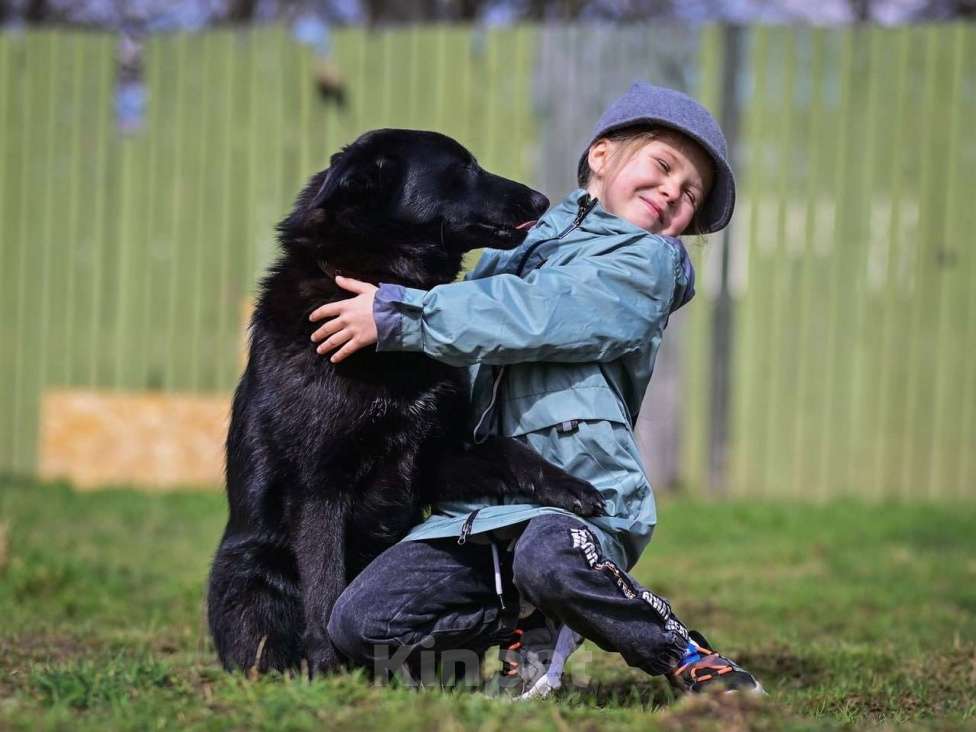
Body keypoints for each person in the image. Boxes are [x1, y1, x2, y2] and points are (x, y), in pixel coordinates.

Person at [312, 82, 763, 696]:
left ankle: (686, 655)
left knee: (547, 560)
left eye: (690, 195)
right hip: (478, 511)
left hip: (572, 502)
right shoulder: (520, 241)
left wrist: (403, 317)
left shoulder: (646, 268)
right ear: (602, 156)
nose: (672, 194)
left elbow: (538, 312)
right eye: (663, 167)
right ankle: (510, 643)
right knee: (359, 624)